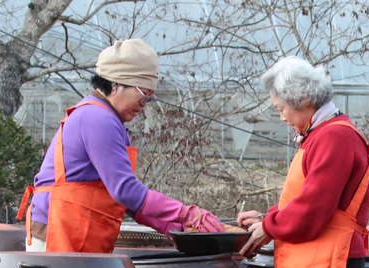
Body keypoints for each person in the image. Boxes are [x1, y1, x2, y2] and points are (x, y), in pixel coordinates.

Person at [18, 39, 222, 253]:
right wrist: (186, 214)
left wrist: (174, 227)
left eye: (150, 98)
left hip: (74, 231)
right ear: (115, 84)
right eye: (144, 95)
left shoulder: (107, 119)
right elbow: (125, 190)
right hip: (56, 234)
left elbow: (127, 200)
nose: (145, 105)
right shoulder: (97, 118)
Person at [239, 57, 369, 268]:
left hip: (333, 263)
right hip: (318, 261)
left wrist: (268, 227)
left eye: (282, 108)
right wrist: (268, 218)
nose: (282, 117)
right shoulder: (322, 134)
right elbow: (304, 199)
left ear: (304, 99)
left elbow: (312, 210)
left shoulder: (335, 137)